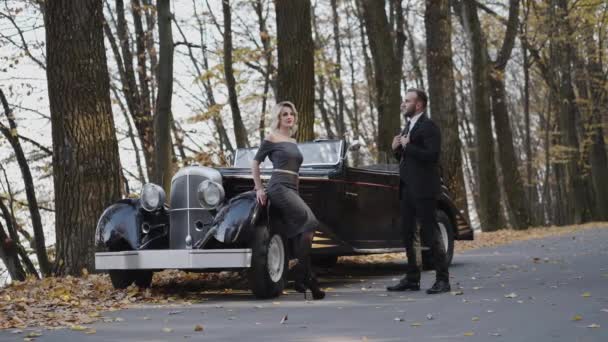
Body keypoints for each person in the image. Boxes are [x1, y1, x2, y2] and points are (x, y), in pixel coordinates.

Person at [251, 101, 325, 300]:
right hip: (278, 186)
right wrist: (259, 188)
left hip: (292, 187)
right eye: (284, 114)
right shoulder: (272, 138)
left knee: (306, 229)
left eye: (291, 113)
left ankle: (306, 278)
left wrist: (297, 194)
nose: (289, 117)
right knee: (310, 222)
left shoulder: (293, 141)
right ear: (278, 118)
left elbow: (296, 172)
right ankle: (304, 277)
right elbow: (255, 162)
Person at [386, 89, 451, 294]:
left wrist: (408, 146)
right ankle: (412, 278)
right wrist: (396, 148)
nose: (403, 104)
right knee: (408, 233)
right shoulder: (408, 126)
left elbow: (431, 156)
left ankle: (443, 280)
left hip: (424, 189)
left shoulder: (429, 126)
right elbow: (408, 160)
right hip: (406, 188)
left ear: (419, 105)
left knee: (430, 233)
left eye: (407, 101)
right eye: (403, 100)